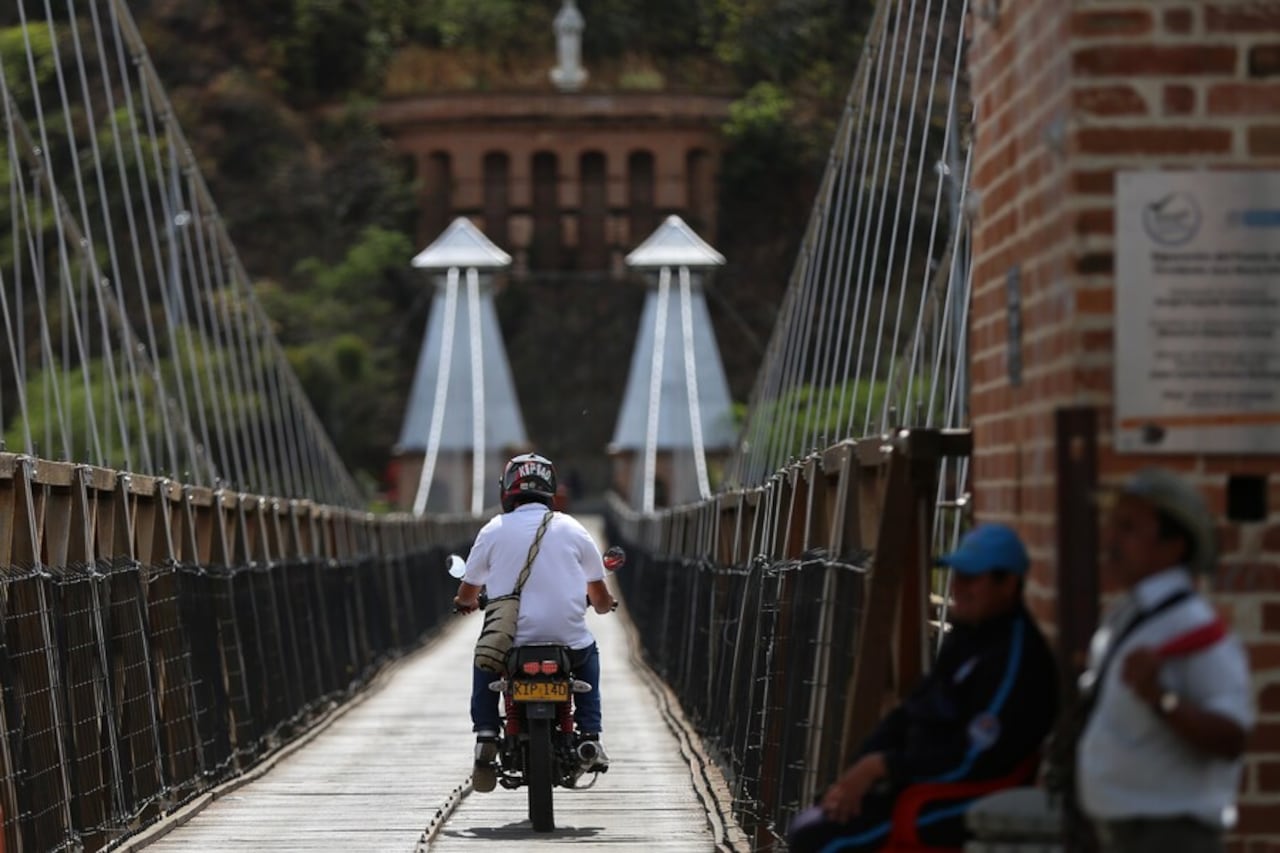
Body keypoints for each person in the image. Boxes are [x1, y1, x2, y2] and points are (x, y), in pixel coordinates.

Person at [787, 523, 1059, 852]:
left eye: (971, 578)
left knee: (820, 842)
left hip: (955, 795)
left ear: (1009, 584)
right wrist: (858, 770)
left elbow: (973, 758)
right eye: (956, 576)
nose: (957, 587)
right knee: (814, 821)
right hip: (915, 779)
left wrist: (883, 768)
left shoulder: (1017, 658)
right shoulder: (969, 636)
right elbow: (912, 711)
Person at [1075, 468, 1252, 852]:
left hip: (1170, 833)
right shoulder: (1129, 614)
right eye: (1113, 525)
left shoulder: (1193, 626)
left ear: (1174, 545)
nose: (1111, 541)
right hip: (1128, 830)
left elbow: (1231, 736)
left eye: (1129, 528)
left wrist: (1160, 698)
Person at [453, 452, 617, 793]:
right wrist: (605, 605)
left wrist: (465, 603)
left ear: (507, 489)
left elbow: (468, 592)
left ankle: (486, 734)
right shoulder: (573, 528)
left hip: (511, 642)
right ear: (551, 489)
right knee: (589, 654)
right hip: (567, 643)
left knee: (486, 657)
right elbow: (600, 601)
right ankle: (589, 735)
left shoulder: (493, 530)